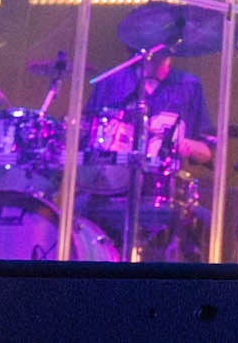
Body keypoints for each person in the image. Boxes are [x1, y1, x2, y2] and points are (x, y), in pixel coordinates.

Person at [82, 52, 215, 260]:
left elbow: (207, 152)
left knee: (204, 223)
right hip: (109, 192)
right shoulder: (111, 81)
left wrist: (186, 145)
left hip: (163, 194)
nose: (162, 63)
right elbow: (84, 141)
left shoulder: (189, 85)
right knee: (76, 217)